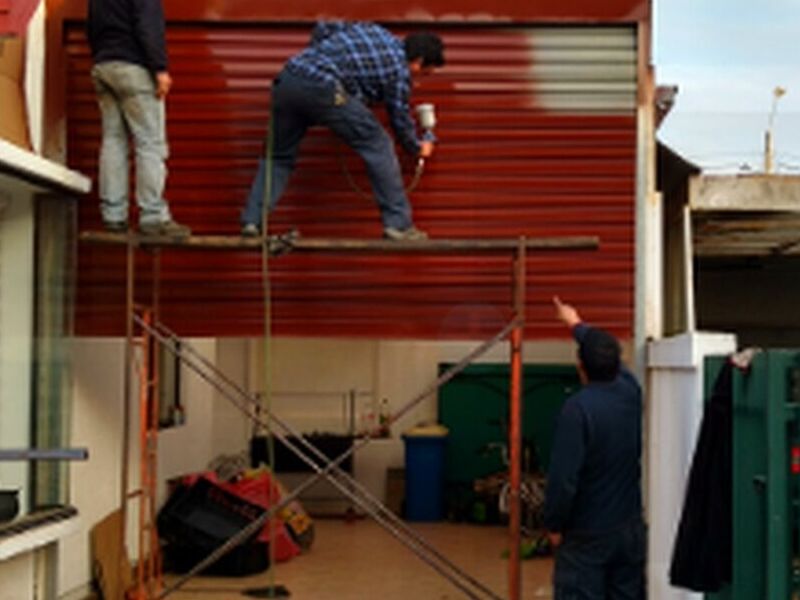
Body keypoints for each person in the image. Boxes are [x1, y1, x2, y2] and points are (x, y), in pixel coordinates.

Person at [240, 21, 444, 240]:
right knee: (379, 145)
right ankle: (399, 225)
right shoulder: (399, 72)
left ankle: (253, 221)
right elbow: (400, 119)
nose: (418, 79)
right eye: (425, 73)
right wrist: (416, 147)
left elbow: (323, 28)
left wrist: (320, 60)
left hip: (289, 79)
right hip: (325, 88)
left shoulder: (375, 31)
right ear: (418, 62)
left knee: (278, 157)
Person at [543, 296, 646, 599]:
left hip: (587, 535)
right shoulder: (631, 391)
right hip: (628, 529)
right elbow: (609, 351)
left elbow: (564, 479)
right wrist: (576, 323)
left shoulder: (577, 411)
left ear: (580, 367)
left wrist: (554, 524)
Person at [87, 0, 190, 237]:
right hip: (134, 67)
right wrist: (160, 68)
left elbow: (92, 28)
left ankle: (114, 216)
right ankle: (153, 216)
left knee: (113, 141)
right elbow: (149, 26)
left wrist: (103, 57)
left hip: (104, 65)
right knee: (150, 143)